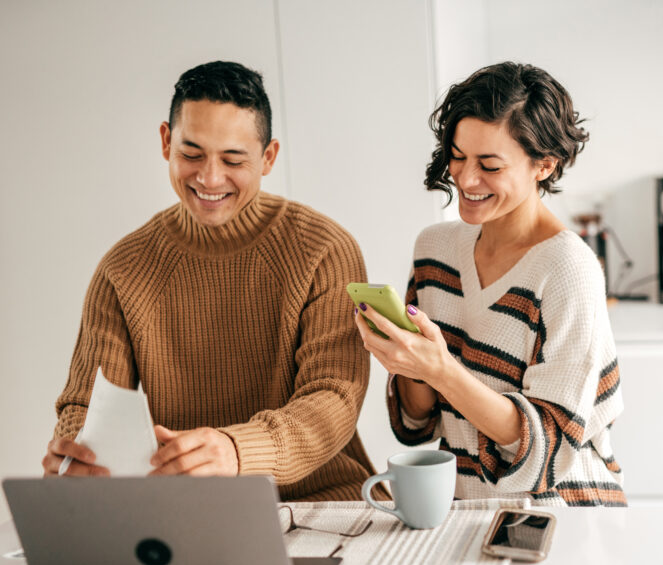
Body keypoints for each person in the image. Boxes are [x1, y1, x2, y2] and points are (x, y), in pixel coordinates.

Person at [42, 61, 382, 501]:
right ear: (166, 142)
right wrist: (79, 455)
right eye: (192, 154)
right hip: (186, 513)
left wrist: (237, 452)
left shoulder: (324, 250)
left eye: (233, 159)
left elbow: (333, 399)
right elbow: (88, 406)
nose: (209, 178)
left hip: (319, 502)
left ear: (269, 157)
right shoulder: (122, 269)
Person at [355, 62, 625, 506]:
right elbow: (419, 420)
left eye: (489, 165)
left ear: (545, 165)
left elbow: (547, 452)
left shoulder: (567, 270)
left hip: (563, 515)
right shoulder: (434, 249)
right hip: (465, 510)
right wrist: (408, 360)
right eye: (458, 156)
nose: (464, 178)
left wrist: (442, 370)